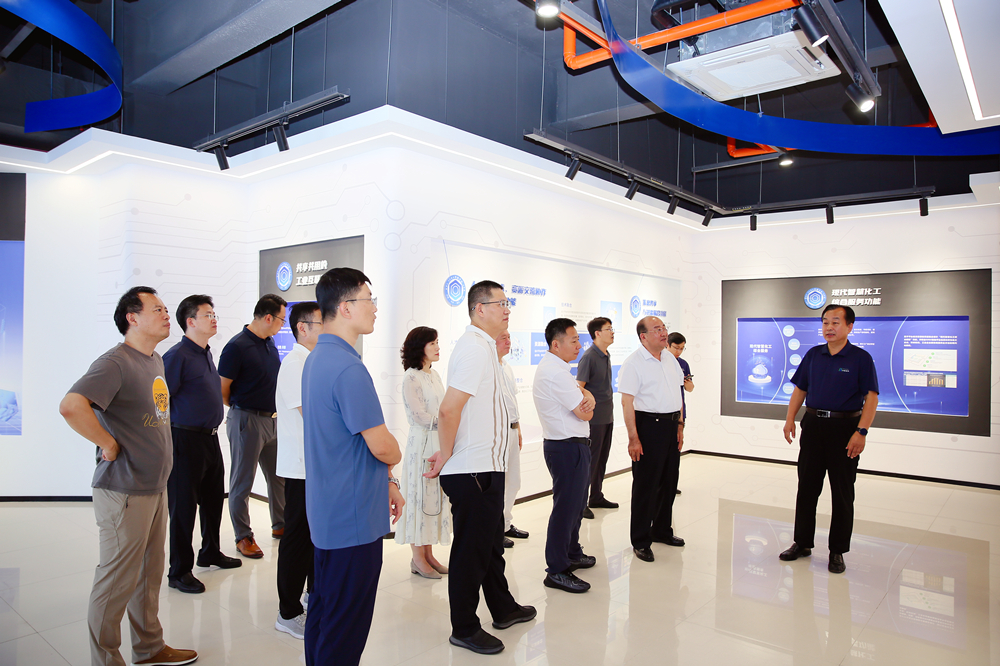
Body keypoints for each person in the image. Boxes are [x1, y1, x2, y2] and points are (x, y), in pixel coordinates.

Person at [59, 286, 197, 666]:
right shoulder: (115, 362)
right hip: (123, 490)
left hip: (154, 487)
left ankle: (149, 648)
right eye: (158, 309)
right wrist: (106, 442)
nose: (166, 314)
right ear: (132, 318)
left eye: (166, 308)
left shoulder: (154, 360)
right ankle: (105, 660)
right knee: (116, 581)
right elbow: (71, 406)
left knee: (148, 576)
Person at [425, 280, 536, 655]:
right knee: (471, 554)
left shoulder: (487, 348)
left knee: (489, 548)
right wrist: (445, 454)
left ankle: (503, 608)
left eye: (508, 303)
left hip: (487, 467)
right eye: (500, 303)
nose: (507, 310)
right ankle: (464, 627)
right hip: (472, 469)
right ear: (479, 309)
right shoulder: (474, 348)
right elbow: (448, 410)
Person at [302, 268, 404, 666]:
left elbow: (348, 441)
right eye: (368, 300)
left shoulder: (317, 358)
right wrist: (396, 457)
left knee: (324, 612)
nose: (375, 309)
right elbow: (383, 446)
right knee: (345, 627)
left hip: (329, 513)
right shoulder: (348, 368)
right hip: (353, 519)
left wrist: (387, 482)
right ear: (345, 307)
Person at [780, 304, 878, 574]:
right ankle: (802, 543)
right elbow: (800, 389)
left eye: (835, 322)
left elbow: (871, 398)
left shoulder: (861, 358)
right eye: (825, 322)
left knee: (842, 492)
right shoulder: (814, 354)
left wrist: (861, 432)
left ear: (849, 327)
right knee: (807, 487)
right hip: (813, 425)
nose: (829, 327)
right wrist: (790, 418)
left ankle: (837, 550)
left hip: (845, 429)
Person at [163, 294, 241, 596]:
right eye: (207, 314)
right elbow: (161, 403)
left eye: (214, 314)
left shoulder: (205, 353)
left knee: (212, 500)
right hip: (184, 440)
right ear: (190, 321)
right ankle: (179, 571)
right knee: (183, 508)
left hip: (209, 438)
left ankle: (210, 551)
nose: (213, 319)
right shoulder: (177, 356)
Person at [218, 293, 287, 559]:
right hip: (247, 420)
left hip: (272, 421)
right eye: (281, 319)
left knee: (278, 478)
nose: (282, 325)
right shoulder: (237, 347)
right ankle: (243, 536)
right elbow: (222, 390)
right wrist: (242, 409)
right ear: (268, 317)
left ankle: (281, 525)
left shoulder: (269, 343)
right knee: (242, 481)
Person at [532, 318, 597, 593]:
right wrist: (589, 400)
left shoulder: (559, 368)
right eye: (573, 341)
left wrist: (587, 395)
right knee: (566, 508)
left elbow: (584, 397)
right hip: (566, 447)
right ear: (556, 344)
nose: (579, 346)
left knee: (576, 504)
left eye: (578, 340)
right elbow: (584, 412)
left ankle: (571, 552)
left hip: (572, 445)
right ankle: (557, 569)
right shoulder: (555, 373)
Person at [618, 316, 686, 563]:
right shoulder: (633, 363)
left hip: (670, 425)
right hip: (648, 426)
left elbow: (678, 393)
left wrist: (679, 425)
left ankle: (662, 530)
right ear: (643, 336)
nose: (663, 332)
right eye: (657, 329)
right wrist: (633, 438)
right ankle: (640, 540)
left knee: (669, 481)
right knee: (646, 485)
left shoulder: (669, 358)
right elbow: (627, 402)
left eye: (664, 328)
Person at [274, 301, 323, 639]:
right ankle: (288, 612)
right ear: (302, 328)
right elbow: (313, 414)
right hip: (300, 467)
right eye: (322, 323)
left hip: (314, 465)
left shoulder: (312, 361)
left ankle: (310, 596)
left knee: (312, 538)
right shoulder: (295, 365)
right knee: (297, 539)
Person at [394, 326, 451, 578]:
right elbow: (419, 415)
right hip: (421, 442)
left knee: (433, 498)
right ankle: (417, 558)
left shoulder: (434, 375)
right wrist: (446, 423)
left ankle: (428, 554)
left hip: (438, 441)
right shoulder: (411, 377)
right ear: (420, 347)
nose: (438, 347)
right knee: (418, 497)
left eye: (437, 342)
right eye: (433, 343)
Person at [577, 316, 617, 518]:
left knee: (602, 459)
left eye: (612, 328)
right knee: (590, 461)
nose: (612, 332)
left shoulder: (606, 354)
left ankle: (596, 496)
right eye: (608, 329)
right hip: (594, 420)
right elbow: (579, 387)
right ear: (597, 333)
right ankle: (581, 502)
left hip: (607, 416)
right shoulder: (589, 357)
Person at [497, 330, 528, 548]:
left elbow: (512, 402)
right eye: (504, 338)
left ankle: (506, 523)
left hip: (511, 430)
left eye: (509, 338)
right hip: (497, 433)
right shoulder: (489, 367)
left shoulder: (507, 366)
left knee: (513, 481)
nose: (509, 342)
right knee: (499, 483)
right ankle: (495, 528)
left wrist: (518, 429)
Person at [667, 332, 694, 496]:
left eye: (682, 348)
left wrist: (686, 383)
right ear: (667, 345)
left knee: (676, 449)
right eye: (676, 348)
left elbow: (690, 388)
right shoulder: (662, 362)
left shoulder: (683, 364)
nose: (678, 351)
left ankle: (672, 484)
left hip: (679, 412)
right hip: (664, 412)